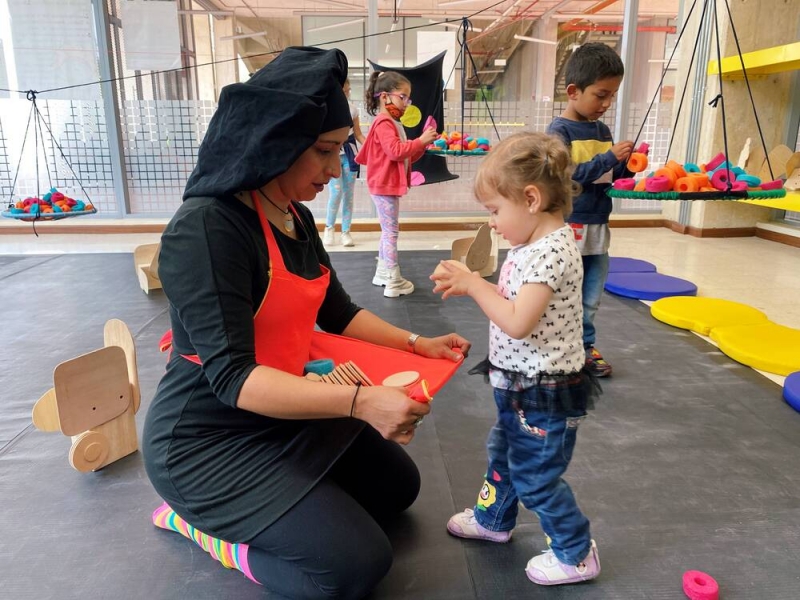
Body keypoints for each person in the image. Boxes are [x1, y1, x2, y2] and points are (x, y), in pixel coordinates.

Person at [142, 47, 470, 600]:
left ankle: (284, 501)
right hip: (207, 440)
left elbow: (337, 312)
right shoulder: (208, 230)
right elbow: (234, 380)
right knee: (353, 568)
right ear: (274, 142)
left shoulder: (291, 212)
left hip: (284, 410)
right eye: (322, 151)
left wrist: (420, 345)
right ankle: (207, 527)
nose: (333, 169)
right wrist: (360, 402)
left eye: (340, 151)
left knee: (397, 489)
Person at [431, 132, 601, 587]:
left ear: (530, 198)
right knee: (503, 453)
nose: (492, 222)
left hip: (545, 391)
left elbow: (518, 320)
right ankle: (493, 519)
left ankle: (575, 552)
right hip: (518, 381)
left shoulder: (551, 251)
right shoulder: (532, 243)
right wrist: (473, 279)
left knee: (538, 477)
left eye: (494, 210)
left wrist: (473, 284)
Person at [546, 42, 634, 378]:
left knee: (591, 299)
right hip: (571, 226)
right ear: (573, 91)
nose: (607, 103)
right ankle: (560, 346)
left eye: (612, 95)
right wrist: (609, 158)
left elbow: (608, 176)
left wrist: (627, 166)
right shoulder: (559, 132)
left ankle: (584, 348)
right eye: (601, 94)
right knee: (562, 295)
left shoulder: (603, 131)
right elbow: (566, 176)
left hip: (599, 226)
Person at [355, 70, 438, 298]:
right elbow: (396, 152)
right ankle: (393, 279)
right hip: (384, 185)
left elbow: (404, 156)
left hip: (383, 184)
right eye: (403, 97)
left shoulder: (390, 122)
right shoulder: (384, 122)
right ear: (384, 97)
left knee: (387, 232)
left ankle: (383, 272)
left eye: (408, 99)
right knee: (391, 232)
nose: (406, 104)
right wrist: (419, 141)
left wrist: (421, 145)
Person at [323, 77, 365, 247]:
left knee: (349, 194)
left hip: (350, 154)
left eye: (348, 91)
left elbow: (358, 134)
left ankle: (346, 232)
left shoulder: (353, 110)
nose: (347, 94)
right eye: (344, 91)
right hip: (333, 153)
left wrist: (373, 146)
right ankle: (329, 228)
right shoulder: (327, 109)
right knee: (336, 191)